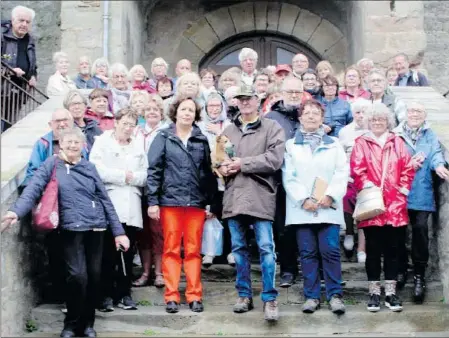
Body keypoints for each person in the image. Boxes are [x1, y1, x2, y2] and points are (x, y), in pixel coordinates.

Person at [1, 127, 130, 338]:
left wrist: (119, 232)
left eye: (76, 142)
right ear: (61, 143)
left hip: (96, 228)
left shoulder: (90, 167)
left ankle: (88, 324)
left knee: (94, 277)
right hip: (70, 229)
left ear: (83, 146)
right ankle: (70, 324)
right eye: (68, 142)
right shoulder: (51, 164)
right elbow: (33, 190)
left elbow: (105, 200)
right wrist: (15, 212)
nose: (72, 146)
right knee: (77, 276)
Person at [218, 85, 285, 322]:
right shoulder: (228, 130)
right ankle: (244, 295)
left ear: (259, 101)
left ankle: (270, 298)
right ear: (236, 102)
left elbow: (274, 160)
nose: (245, 103)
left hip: (260, 196)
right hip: (234, 196)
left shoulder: (272, 128)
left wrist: (241, 164)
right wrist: (222, 167)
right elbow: (218, 161)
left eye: (249, 99)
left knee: (266, 248)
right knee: (238, 249)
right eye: (241, 99)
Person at [147, 97, 218, 314]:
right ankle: (171, 296)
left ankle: (194, 295)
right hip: (170, 202)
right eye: (183, 109)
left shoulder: (201, 140)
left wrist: (211, 203)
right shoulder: (163, 137)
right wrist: (153, 201)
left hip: (196, 203)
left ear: (195, 115)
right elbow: (154, 171)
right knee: (171, 249)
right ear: (175, 112)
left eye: (191, 110)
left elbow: (208, 173)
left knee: (194, 250)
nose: (187, 113)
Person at [283, 99, 348, 314]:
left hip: (327, 207)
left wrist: (330, 195)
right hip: (302, 209)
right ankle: (311, 296)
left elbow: (341, 172)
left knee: (330, 251)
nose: (311, 116)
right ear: (300, 118)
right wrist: (303, 199)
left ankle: (335, 295)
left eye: (315, 113)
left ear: (322, 118)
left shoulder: (334, 144)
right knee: (307, 253)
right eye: (307, 113)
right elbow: (288, 176)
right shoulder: (291, 145)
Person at [351, 102, 415, 313]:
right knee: (373, 250)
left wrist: (403, 189)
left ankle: (390, 292)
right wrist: (366, 184)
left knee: (393, 251)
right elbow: (357, 168)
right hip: (372, 204)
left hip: (395, 204)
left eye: (381, 119)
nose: (378, 122)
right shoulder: (361, 142)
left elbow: (407, 167)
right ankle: (374, 292)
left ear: (388, 121)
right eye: (374, 119)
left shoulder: (397, 142)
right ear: (368, 122)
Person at [90, 108, 148, 312]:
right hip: (109, 202)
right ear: (116, 122)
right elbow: (97, 170)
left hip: (131, 204)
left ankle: (124, 294)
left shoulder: (138, 145)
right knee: (107, 253)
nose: (128, 128)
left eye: (132, 125)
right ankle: (105, 295)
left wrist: (131, 177)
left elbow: (144, 175)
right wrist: (125, 176)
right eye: (124, 123)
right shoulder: (103, 141)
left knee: (127, 252)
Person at [393, 102, 449, 302]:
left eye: (419, 111)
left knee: (420, 231)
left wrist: (440, 166)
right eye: (411, 111)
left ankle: (419, 275)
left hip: (422, 191)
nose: (414, 114)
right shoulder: (396, 135)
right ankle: (399, 269)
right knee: (398, 232)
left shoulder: (429, 134)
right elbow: (390, 161)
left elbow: (435, 154)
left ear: (425, 115)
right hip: (399, 192)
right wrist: (409, 164)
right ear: (405, 114)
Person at [266, 76, 310, 288]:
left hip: (306, 181)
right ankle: (288, 270)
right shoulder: (271, 117)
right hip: (280, 182)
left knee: (307, 226)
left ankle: (310, 268)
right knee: (283, 228)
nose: (294, 95)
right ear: (281, 93)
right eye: (290, 91)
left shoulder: (308, 114)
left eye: (298, 92)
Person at [133, 94, 168, 288]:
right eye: (148, 110)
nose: (152, 112)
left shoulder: (166, 132)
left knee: (158, 232)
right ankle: (145, 272)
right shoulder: (137, 132)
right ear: (143, 113)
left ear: (161, 113)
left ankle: (159, 273)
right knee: (143, 233)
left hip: (160, 190)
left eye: (156, 109)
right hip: (140, 188)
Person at [197, 93, 233, 267]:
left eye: (217, 105)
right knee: (210, 213)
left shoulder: (228, 125)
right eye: (210, 106)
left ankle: (230, 251)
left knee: (228, 214)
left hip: (226, 175)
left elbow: (233, 149)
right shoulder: (199, 126)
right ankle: (209, 251)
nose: (214, 109)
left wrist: (220, 134)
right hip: (206, 176)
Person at [338, 99, 371, 262]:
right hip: (349, 176)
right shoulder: (345, 131)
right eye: (357, 112)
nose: (360, 115)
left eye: (364, 112)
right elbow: (340, 156)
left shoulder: (374, 130)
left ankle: (362, 248)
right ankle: (350, 232)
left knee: (365, 207)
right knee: (345, 198)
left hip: (369, 178)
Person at [1, 5, 37, 88]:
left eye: (28, 22)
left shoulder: (30, 41)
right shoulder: (2, 37)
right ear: (13, 20)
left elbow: (33, 67)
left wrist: (33, 77)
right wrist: (9, 71)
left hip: (19, 95)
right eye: (21, 20)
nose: (24, 24)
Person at [63, 90, 102, 154]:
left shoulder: (95, 127)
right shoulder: (65, 129)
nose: (77, 107)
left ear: (85, 106)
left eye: (79, 103)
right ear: (67, 108)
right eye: (73, 104)